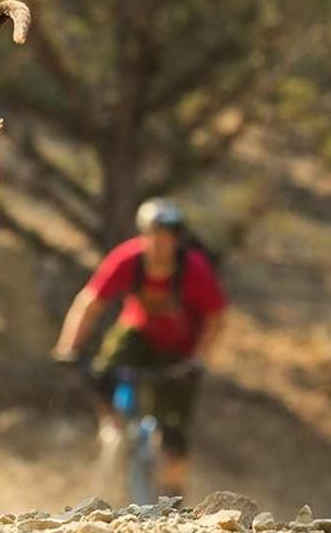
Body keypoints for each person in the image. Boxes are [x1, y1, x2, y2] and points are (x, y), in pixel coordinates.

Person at [52, 197, 226, 496]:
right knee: (103, 370)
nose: (158, 245)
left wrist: (198, 360)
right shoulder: (127, 259)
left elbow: (216, 317)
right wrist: (68, 347)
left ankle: (174, 495)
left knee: (173, 433)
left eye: (166, 238)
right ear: (142, 235)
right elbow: (90, 303)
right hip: (138, 333)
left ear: (177, 240)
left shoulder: (194, 269)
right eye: (152, 236)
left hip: (180, 349)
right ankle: (114, 427)